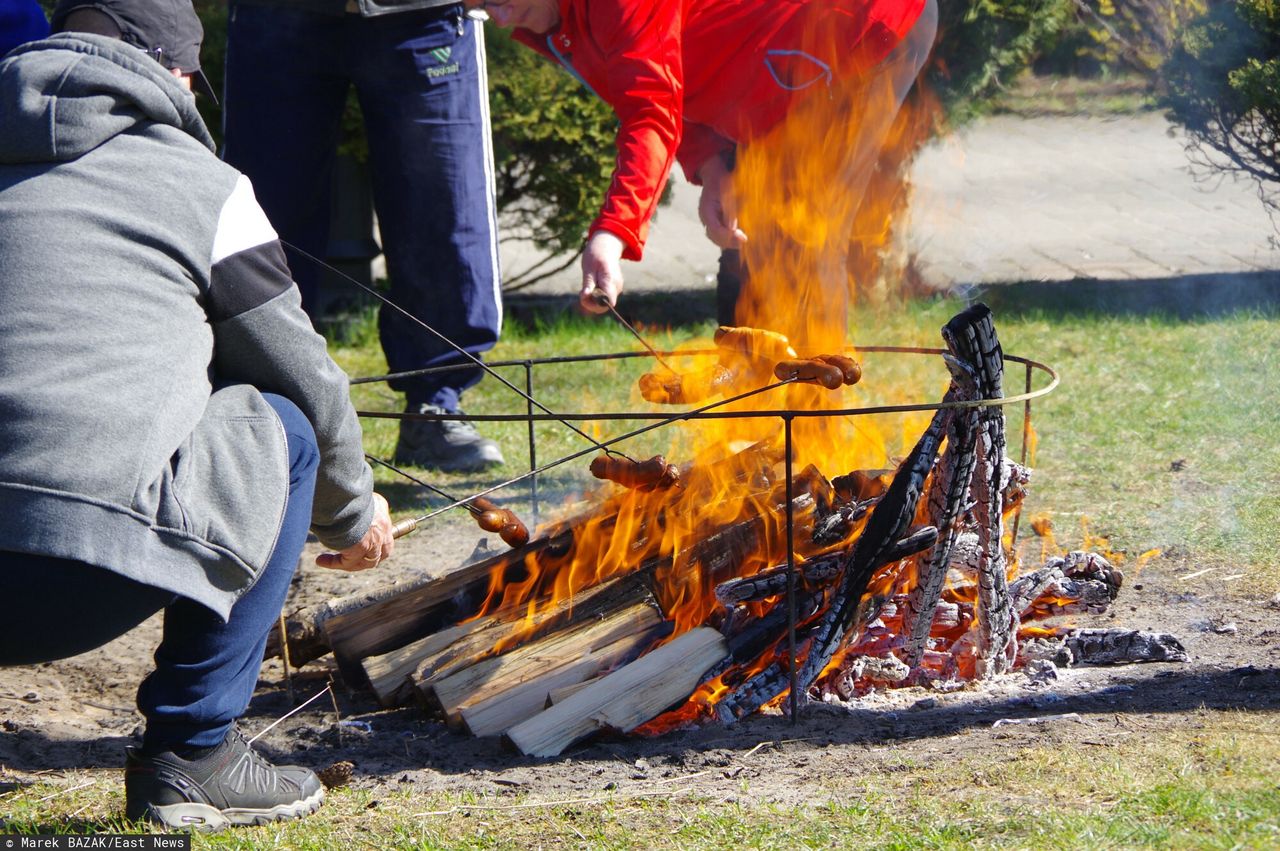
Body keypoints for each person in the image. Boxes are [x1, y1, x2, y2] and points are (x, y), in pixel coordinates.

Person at [0, 0, 396, 829]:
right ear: (172, 71)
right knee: (282, 427)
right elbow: (304, 376)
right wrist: (351, 513)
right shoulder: (201, 184)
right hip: (77, 579)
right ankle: (193, 752)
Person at [473, 0, 937, 342]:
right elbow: (662, 82)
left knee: (799, 241)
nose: (499, 18)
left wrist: (612, 234)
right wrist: (713, 166)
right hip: (770, 76)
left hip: (857, 30)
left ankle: (813, 444)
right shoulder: (552, 21)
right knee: (748, 250)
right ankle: (752, 444)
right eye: (478, 5)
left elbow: (651, 113)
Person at [222, 0, 506, 473]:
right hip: (274, 15)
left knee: (446, 211)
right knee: (264, 218)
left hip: (425, 15)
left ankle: (435, 407)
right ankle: (269, 416)